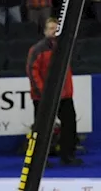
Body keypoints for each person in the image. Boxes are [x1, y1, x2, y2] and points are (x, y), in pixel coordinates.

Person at [26, 18, 82, 166]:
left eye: (56, 28)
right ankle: (38, 159)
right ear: (45, 31)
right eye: (51, 28)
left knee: (69, 124)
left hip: (63, 94)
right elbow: (32, 72)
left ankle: (68, 155)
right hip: (42, 96)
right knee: (41, 128)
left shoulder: (65, 47)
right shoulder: (37, 49)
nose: (53, 31)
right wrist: (44, 92)